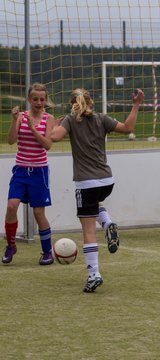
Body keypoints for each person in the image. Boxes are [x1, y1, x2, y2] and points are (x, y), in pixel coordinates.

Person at [51, 87, 144, 292]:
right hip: (107, 181)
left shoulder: (69, 120)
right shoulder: (102, 118)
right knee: (96, 205)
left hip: (86, 183)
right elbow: (128, 128)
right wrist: (136, 104)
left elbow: (54, 138)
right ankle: (108, 222)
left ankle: (94, 274)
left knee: (88, 231)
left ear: (72, 104)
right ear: (91, 102)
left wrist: (53, 124)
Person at [2, 82, 55, 265]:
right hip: (21, 170)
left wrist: (33, 129)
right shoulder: (21, 117)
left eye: (42, 99)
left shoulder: (49, 118)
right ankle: (11, 246)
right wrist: (13, 120)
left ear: (45, 100)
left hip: (39, 171)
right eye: (35, 99)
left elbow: (47, 145)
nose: (39, 102)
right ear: (28, 100)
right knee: (11, 206)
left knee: (39, 213)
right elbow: (10, 141)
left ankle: (47, 252)